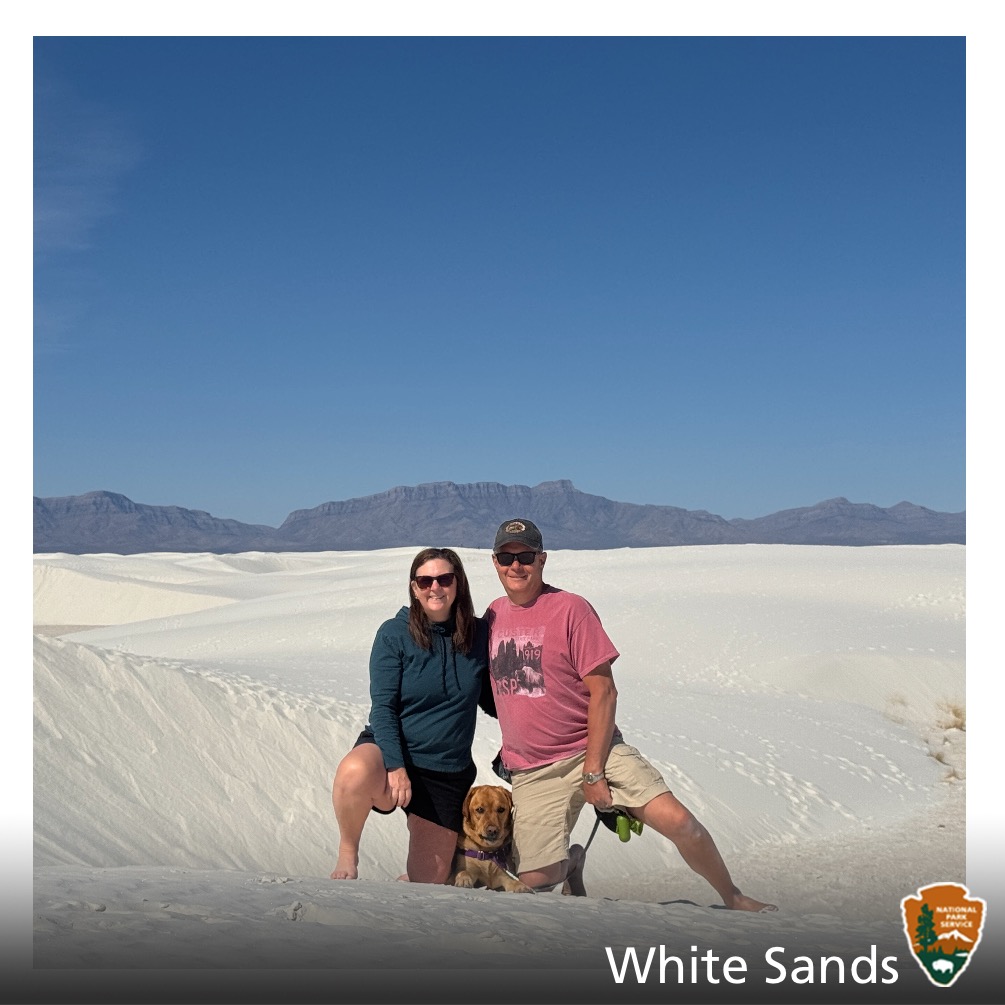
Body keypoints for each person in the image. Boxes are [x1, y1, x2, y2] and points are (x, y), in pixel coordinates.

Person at [484, 518, 776, 911]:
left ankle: (733, 897)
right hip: (533, 770)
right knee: (536, 881)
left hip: (592, 749)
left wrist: (593, 772)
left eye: (525, 556)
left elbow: (604, 691)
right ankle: (572, 864)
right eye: (506, 557)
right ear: (495, 562)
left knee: (681, 823)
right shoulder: (493, 616)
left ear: (542, 559)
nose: (516, 565)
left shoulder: (571, 610)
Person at [330, 547, 495, 884]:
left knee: (428, 883)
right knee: (354, 771)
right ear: (414, 587)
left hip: (445, 771)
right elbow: (383, 707)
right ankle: (348, 849)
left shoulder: (479, 636)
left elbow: (495, 700)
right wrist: (395, 766)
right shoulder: (394, 634)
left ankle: (411, 876)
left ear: (458, 583)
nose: (435, 587)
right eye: (425, 581)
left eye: (444, 579)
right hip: (394, 755)